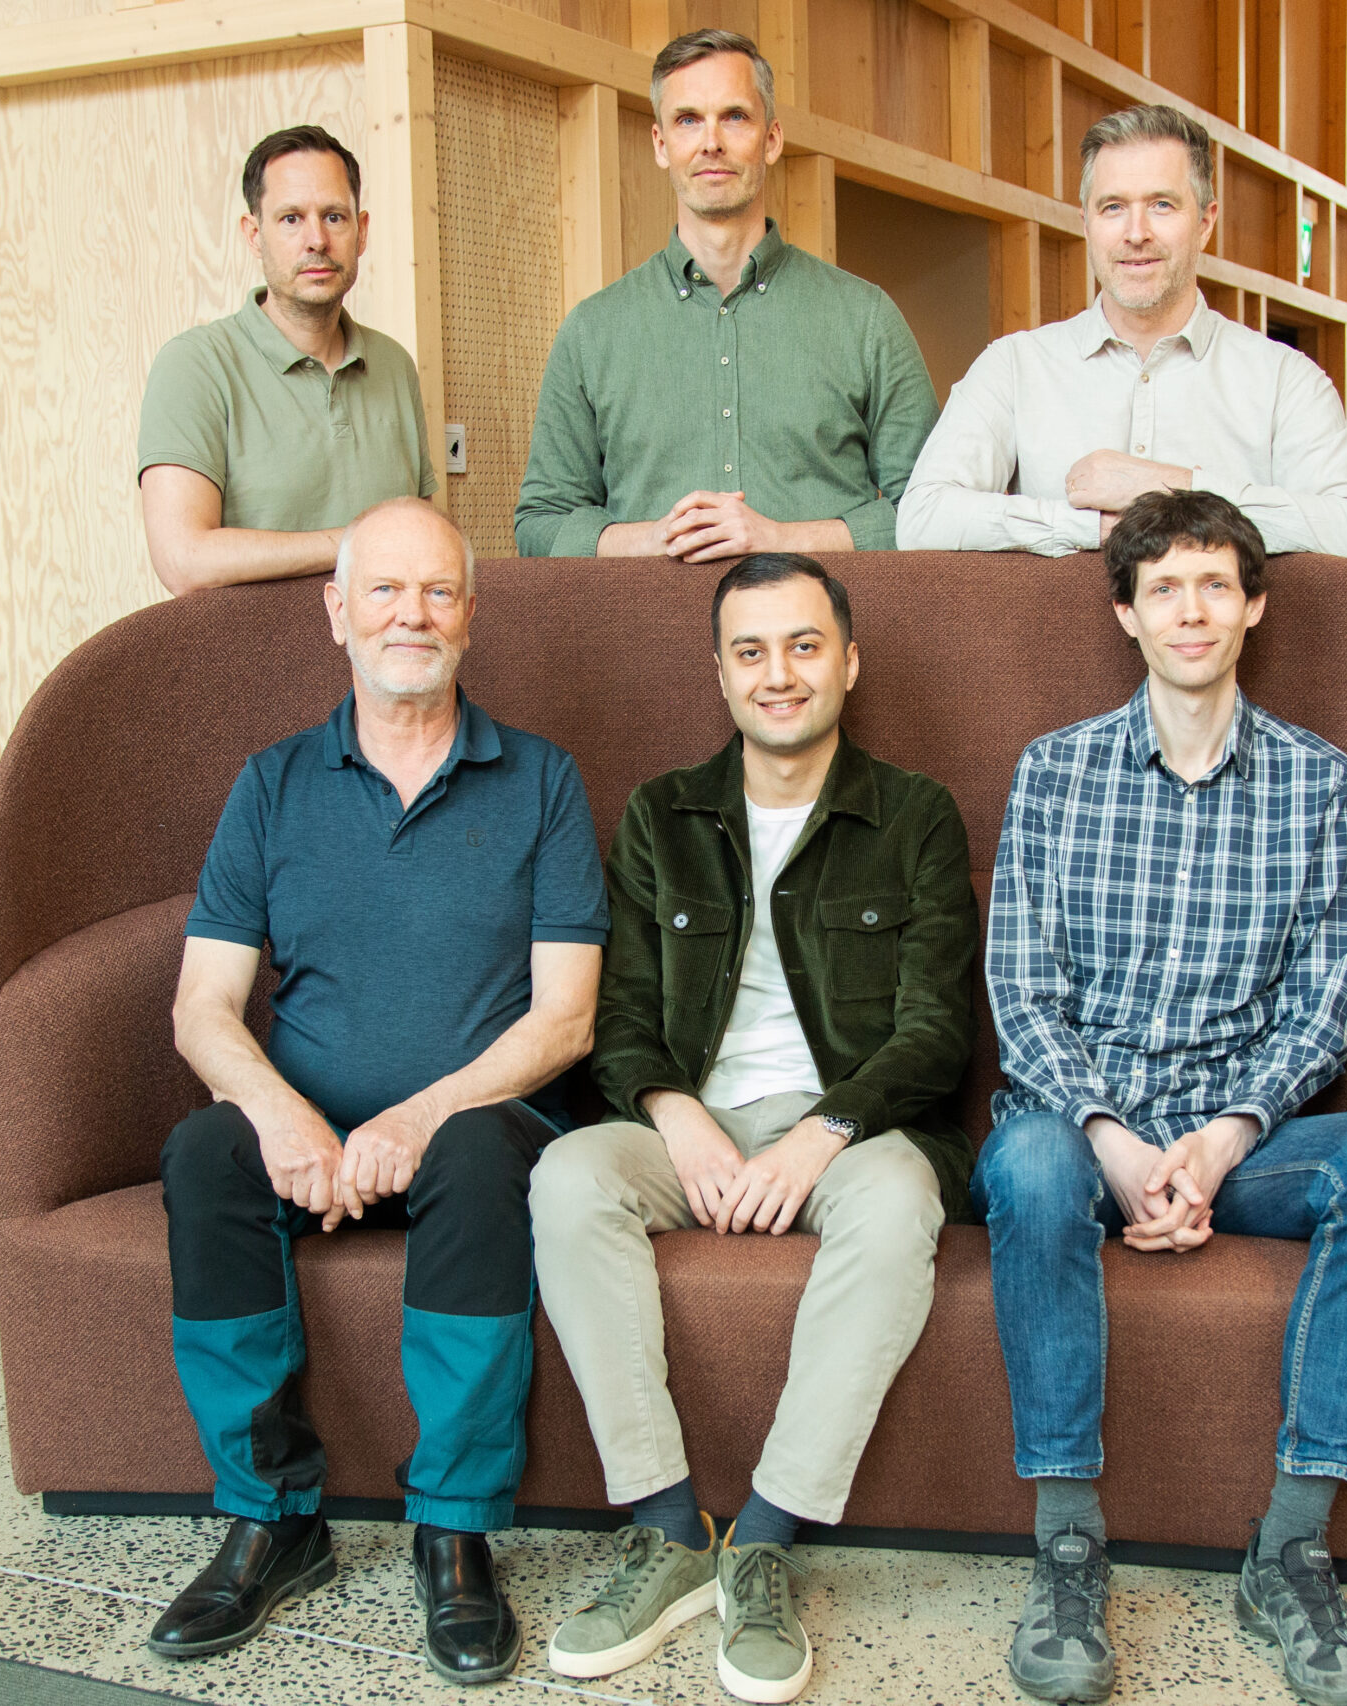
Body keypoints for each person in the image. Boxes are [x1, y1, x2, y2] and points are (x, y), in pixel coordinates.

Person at [973, 489, 1347, 1706]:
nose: (1191, 609)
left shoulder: (1324, 784)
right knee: (1027, 1162)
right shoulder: (1055, 771)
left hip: (1245, 1140)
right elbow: (1022, 994)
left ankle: (1290, 1548)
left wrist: (1222, 1142)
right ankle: (1066, 1545)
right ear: (1125, 613)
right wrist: (1117, 1145)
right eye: (1164, 587)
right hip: (1081, 1135)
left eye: (1215, 584)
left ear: (1253, 607)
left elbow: (1323, 1005)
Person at [145, 499, 606, 1685]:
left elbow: (566, 1018)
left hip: (476, 1129)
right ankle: (272, 1518)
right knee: (203, 1152)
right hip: (308, 1135)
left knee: (476, 1149)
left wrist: (418, 1114)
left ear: (471, 614)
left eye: (438, 591)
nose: (412, 614)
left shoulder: (542, 780)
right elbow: (203, 1007)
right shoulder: (272, 783)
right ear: (336, 611)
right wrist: (280, 1112)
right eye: (385, 590)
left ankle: (453, 1530)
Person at [529, 554, 978, 1703]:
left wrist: (822, 1130)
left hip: (851, 1128)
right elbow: (621, 1016)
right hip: (692, 1115)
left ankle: (765, 1537)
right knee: (569, 1174)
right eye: (750, 650)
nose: (778, 673)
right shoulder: (660, 814)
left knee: (899, 1202)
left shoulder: (914, 813)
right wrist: (676, 1114)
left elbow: (936, 1031)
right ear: (721, 673)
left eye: (803, 645)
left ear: (849, 661)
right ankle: (671, 1530)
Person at [514, 30, 938, 562]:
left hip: (816, 617)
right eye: (688, 119)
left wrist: (782, 539)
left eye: (734, 116)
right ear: (661, 145)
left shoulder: (865, 319)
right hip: (650, 619)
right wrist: (650, 539)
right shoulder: (592, 332)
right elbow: (541, 523)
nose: (711, 141)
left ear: (772, 139)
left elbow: (932, 509)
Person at [897, 105, 1347, 562]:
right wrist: (1088, 527)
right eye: (1112, 207)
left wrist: (1167, 488)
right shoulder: (1014, 366)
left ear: (1205, 222)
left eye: (1162, 205)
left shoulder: (1285, 379)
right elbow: (922, 518)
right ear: (1086, 223)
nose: (1135, 233)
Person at [138, 126, 437, 594]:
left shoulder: (394, 365)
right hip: (250, 644)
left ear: (361, 232)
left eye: (334, 217)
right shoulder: (194, 365)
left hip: (385, 644)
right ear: (254, 235)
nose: (317, 239)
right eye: (291, 219)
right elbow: (184, 560)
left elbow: (424, 541)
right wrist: (357, 542)